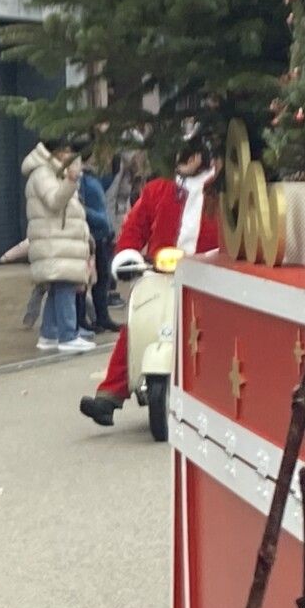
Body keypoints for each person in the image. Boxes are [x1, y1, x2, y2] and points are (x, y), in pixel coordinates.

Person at [79, 140, 222, 426]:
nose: (184, 160)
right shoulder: (159, 189)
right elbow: (135, 226)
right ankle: (110, 393)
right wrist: (127, 255)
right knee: (138, 324)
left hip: (209, 278)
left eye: (192, 155)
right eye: (180, 153)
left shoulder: (220, 192)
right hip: (160, 274)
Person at [22, 138, 95, 352]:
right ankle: (67, 335)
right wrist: (71, 180)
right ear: (55, 152)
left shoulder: (52, 172)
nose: (70, 156)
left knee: (58, 287)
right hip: (54, 241)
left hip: (58, 241)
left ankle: (49, 334)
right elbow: (55, 201)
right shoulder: (43, 174)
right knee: (65, 286)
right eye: (66, 151)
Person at [75, 136, 121, 334]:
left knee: (103, 278)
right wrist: (100, 220)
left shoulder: (90, 176)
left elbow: (100, 191)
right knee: (86, 280)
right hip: (92, 235)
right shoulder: (80, 178)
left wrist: (113, 173)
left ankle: (102, 317)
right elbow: (80, 206)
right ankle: (82, 319)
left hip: (102, 234)